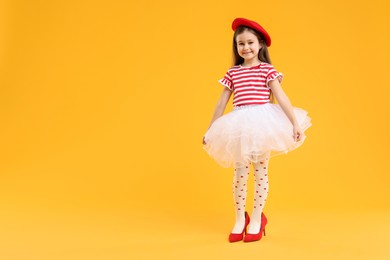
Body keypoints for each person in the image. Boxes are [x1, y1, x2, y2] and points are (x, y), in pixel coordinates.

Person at [202, 18, 312, 243]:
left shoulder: (267, 70)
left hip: (262, 126)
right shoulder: (233, 73)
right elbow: (221, 102)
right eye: (240, 44)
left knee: (261, 172)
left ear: (260, 44)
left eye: (250, 42)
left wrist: (294, 123)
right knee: (240, 174)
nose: (246, 47)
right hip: (239, 127)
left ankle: (256, 219)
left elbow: (281, 97)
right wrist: (211, 129)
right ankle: (239, 218)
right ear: (236, 47)